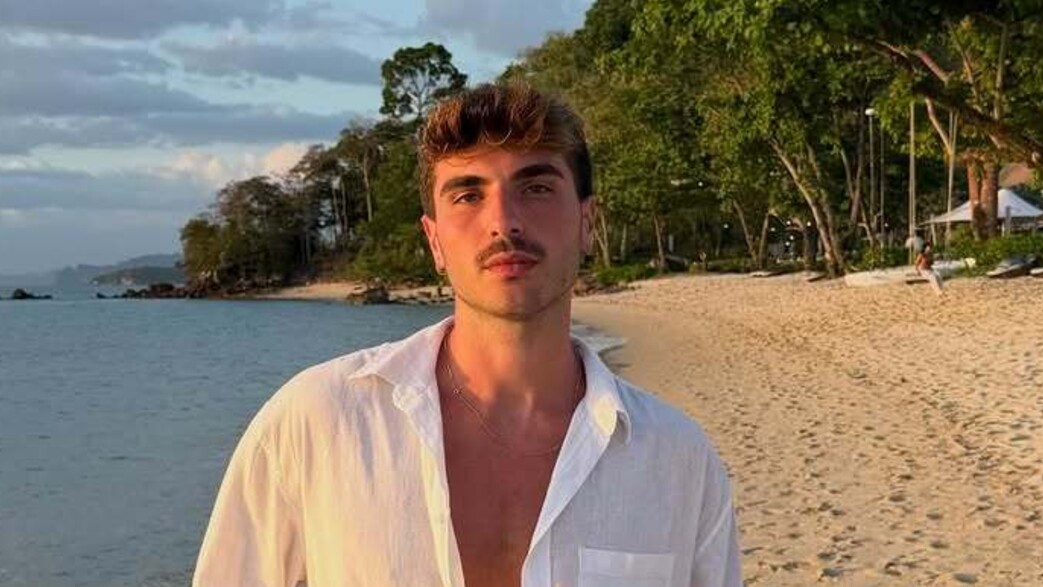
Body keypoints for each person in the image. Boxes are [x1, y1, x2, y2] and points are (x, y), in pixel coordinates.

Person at [193, 83, 741, 587]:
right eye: (467, 195)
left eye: (536, 187)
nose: (504, 222)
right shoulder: (316, 423)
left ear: (586, 222)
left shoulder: (676, 459)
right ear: (434, 241)